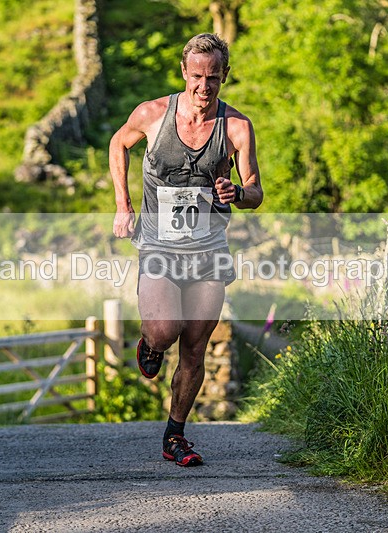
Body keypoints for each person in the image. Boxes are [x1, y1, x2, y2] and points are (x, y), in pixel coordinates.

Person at [109, 33, 262, 467]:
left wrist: (237, 192)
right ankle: (151, 346)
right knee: (164, 330)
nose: (204, 87)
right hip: (159, 244)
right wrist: (124, 205)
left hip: (209, 248)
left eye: (213, 77)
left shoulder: (237, 128)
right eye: (197, 76)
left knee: (196, 346)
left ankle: (174, 436)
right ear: (184, 73)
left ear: (224, 77)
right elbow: (117, 144)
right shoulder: (152, 114)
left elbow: (256, 191)